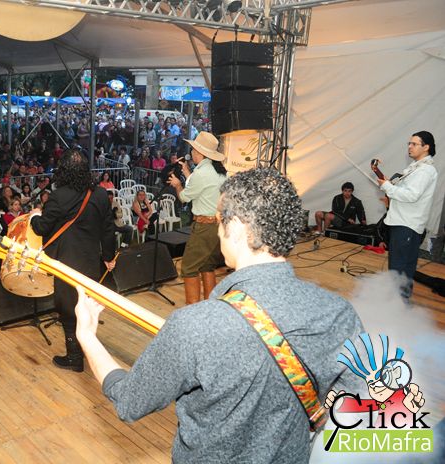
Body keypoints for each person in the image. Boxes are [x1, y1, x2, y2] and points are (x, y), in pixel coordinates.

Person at [75, 168, 364, 463]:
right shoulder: (338, 314)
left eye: (218, 221)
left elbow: (129, 401)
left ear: (236, 228)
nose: (217, 230)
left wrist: (87, 335)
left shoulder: (194, 325)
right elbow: (353, 405)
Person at [31, 149, 116, 372]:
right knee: (86, 308)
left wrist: (34, 217)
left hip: (66, 263)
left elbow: (42, 227)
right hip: (91, 262)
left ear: (63, 170)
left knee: (69, 311)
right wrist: (109, 257)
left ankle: (74, 358)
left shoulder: (58, 196)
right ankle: (87, 349)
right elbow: (108, 229)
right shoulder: (100, 194)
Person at [373, 130, 438, 300]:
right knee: (404, 269)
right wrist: (390, 188)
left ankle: (397, 305)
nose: (409, 146)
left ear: (426, 147)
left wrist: (387, 187)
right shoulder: (416, 168)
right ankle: (401, 305)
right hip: (404, 223)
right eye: (409, 143)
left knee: (399, 269)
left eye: (414, 144)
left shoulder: (424, 171)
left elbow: (411, 195)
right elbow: (407, 193)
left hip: (406, 225)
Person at [168, 131, 227, 304]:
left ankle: (192, 310)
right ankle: (210, 305)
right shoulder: (219, 170)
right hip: (217, 225)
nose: (192, 152)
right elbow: (202, 187)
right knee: (207, 266)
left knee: (189, 268)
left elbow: (184, 197)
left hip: (204, 227)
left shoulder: (201, 173)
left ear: (199, 153)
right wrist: (187, 172)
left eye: (193, 149)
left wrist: (177, 185)